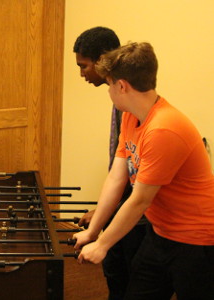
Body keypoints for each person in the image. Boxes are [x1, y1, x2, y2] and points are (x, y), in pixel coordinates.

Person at [74, 42, 214, 300]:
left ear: (122, 86)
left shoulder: (163, 128)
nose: (109, 92)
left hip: (197, 240)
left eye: (109, 85)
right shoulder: (130, 115)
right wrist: (93, 231)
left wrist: (103, 246)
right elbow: (117, 176)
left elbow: (139, 199)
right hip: (160, 233)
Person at [73, 27, 147, 300]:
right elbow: (118, 170)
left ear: (103, 59)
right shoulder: (119, 100)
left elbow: (135, 175)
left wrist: (107, 217)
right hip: (123, 205)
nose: (82, 74)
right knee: (116, 270)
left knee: (128, 275)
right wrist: (102, 213)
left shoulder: (131, 102)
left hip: (140, 216)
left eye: (84, 66)